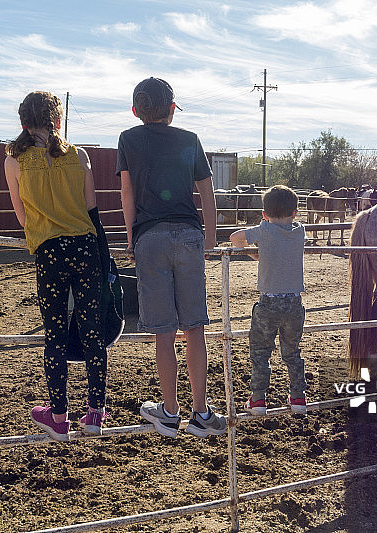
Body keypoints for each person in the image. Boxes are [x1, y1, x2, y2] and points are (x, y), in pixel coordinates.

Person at [117, 77, 226, 438]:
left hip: (150, 238)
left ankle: (168, 411)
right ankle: (202, 413)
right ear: (172, 109)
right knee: (195, 327)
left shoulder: (128, 139)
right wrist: (209, 239)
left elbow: (127, 192)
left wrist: (132, 238)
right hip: (189, 236)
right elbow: (207, 194)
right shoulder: (190, 139)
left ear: (137, 111)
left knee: (164, 331)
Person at [4, 91, 109, 442]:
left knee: (55, 332)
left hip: (49, 251)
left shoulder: (14, 161)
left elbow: (22, 216)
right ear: (58, 121)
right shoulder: (80, 156)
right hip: (85, 247)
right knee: (91, 329)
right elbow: (92, 210)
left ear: (23, 122)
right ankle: (95, 412)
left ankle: (59, 415)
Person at [229, 185, 308, 415]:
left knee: (261, 352)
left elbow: (235, 238)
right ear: (295, 213)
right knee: (292, 352)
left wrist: (255, 254)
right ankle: (298, 397)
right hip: (294, 302)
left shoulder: (263, 230)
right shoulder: (299, 230)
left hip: (269, 302)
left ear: (264, 214)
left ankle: (258, 400)